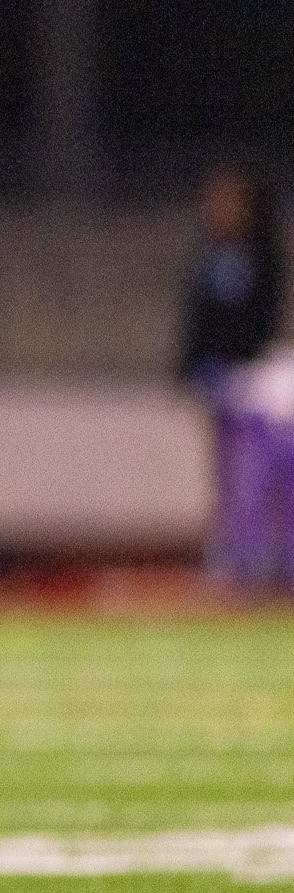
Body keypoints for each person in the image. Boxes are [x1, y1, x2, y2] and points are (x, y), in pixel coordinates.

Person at [176, 163, 286, 587]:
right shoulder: (209, 256)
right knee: (226, 470)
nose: (219, 209)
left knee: (256, 473)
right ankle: (238, 554)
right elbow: (197, 319)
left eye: (229, 201)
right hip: (219, 376)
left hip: (253, 380)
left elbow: (263, 317)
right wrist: (191, 366)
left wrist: (242, 363)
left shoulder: (262, 253)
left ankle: (264, 556)